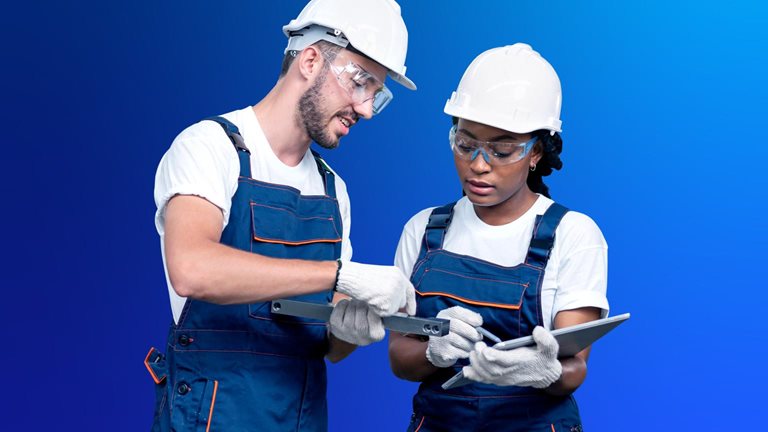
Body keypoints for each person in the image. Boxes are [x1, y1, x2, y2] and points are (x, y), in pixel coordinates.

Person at [144, 0, 418, 430]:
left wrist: (353, 329)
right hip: (209, 417)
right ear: (310, 60)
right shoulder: (210, 147)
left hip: (301, 418)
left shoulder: (332, 191)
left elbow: (330, 345)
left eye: (376, 95)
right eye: (361, 83)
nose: (366, 109)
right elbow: (191, 268)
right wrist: (338, 275)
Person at [388, 43, 609, 431]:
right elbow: (399, 358)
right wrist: (435, 352)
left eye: (502, 150)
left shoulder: (573, 234)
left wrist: (541, 369)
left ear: (536, 152)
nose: (478, 164)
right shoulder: (423, 230)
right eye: (465, 143)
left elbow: (575, 367)